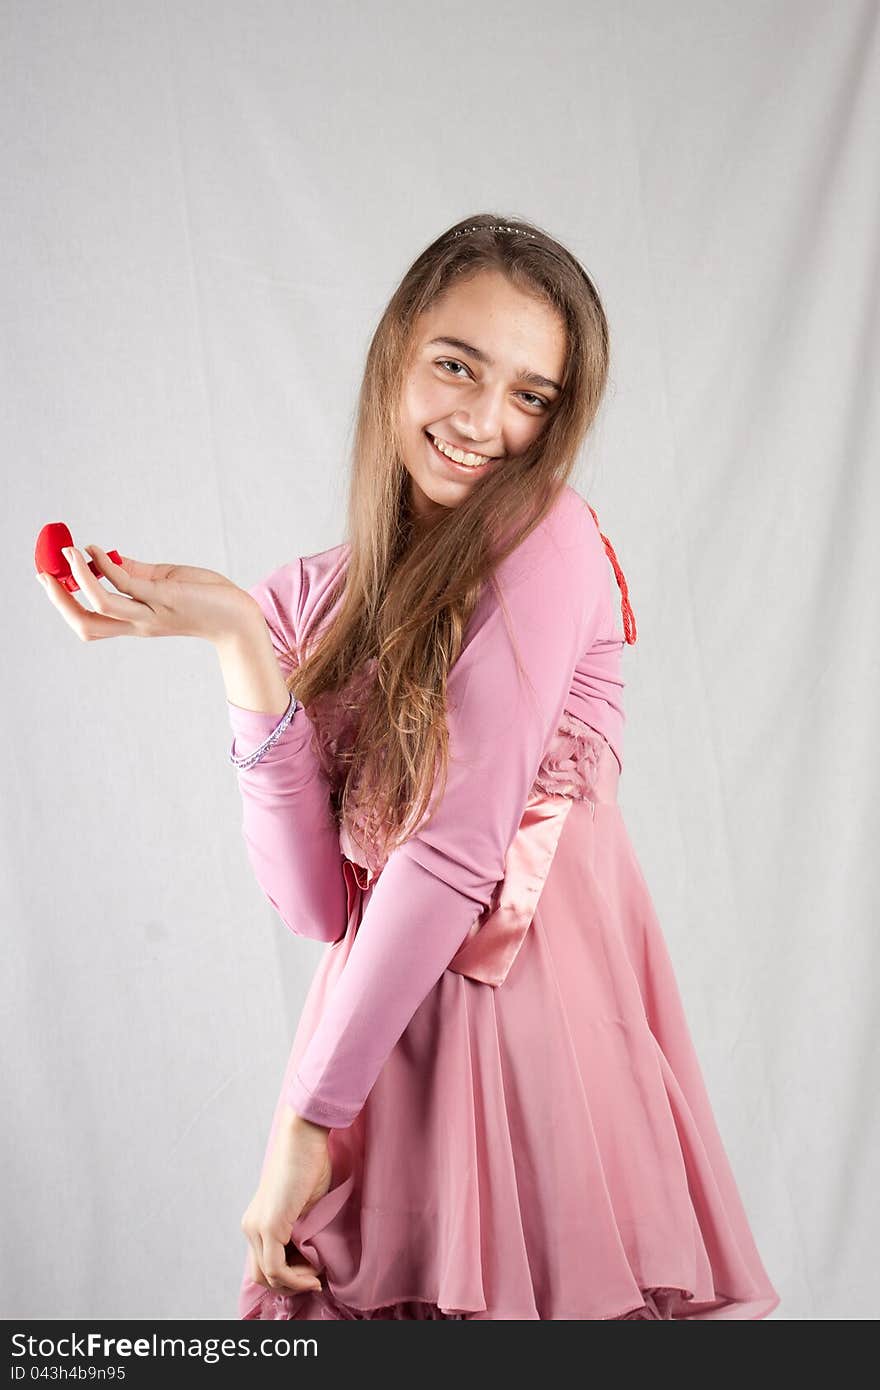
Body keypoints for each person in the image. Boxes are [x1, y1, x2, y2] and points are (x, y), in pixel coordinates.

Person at [37, 215, 780, 1321]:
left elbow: (456, 852)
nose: (485, 422)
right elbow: (315, 902)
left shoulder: (551, 537)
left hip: (538, 1074)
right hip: (379, 1064)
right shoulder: (306, 597)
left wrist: (306, 1118)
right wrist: (243, 644)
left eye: (531, 395)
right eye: (456, 366)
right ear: (396, 352)